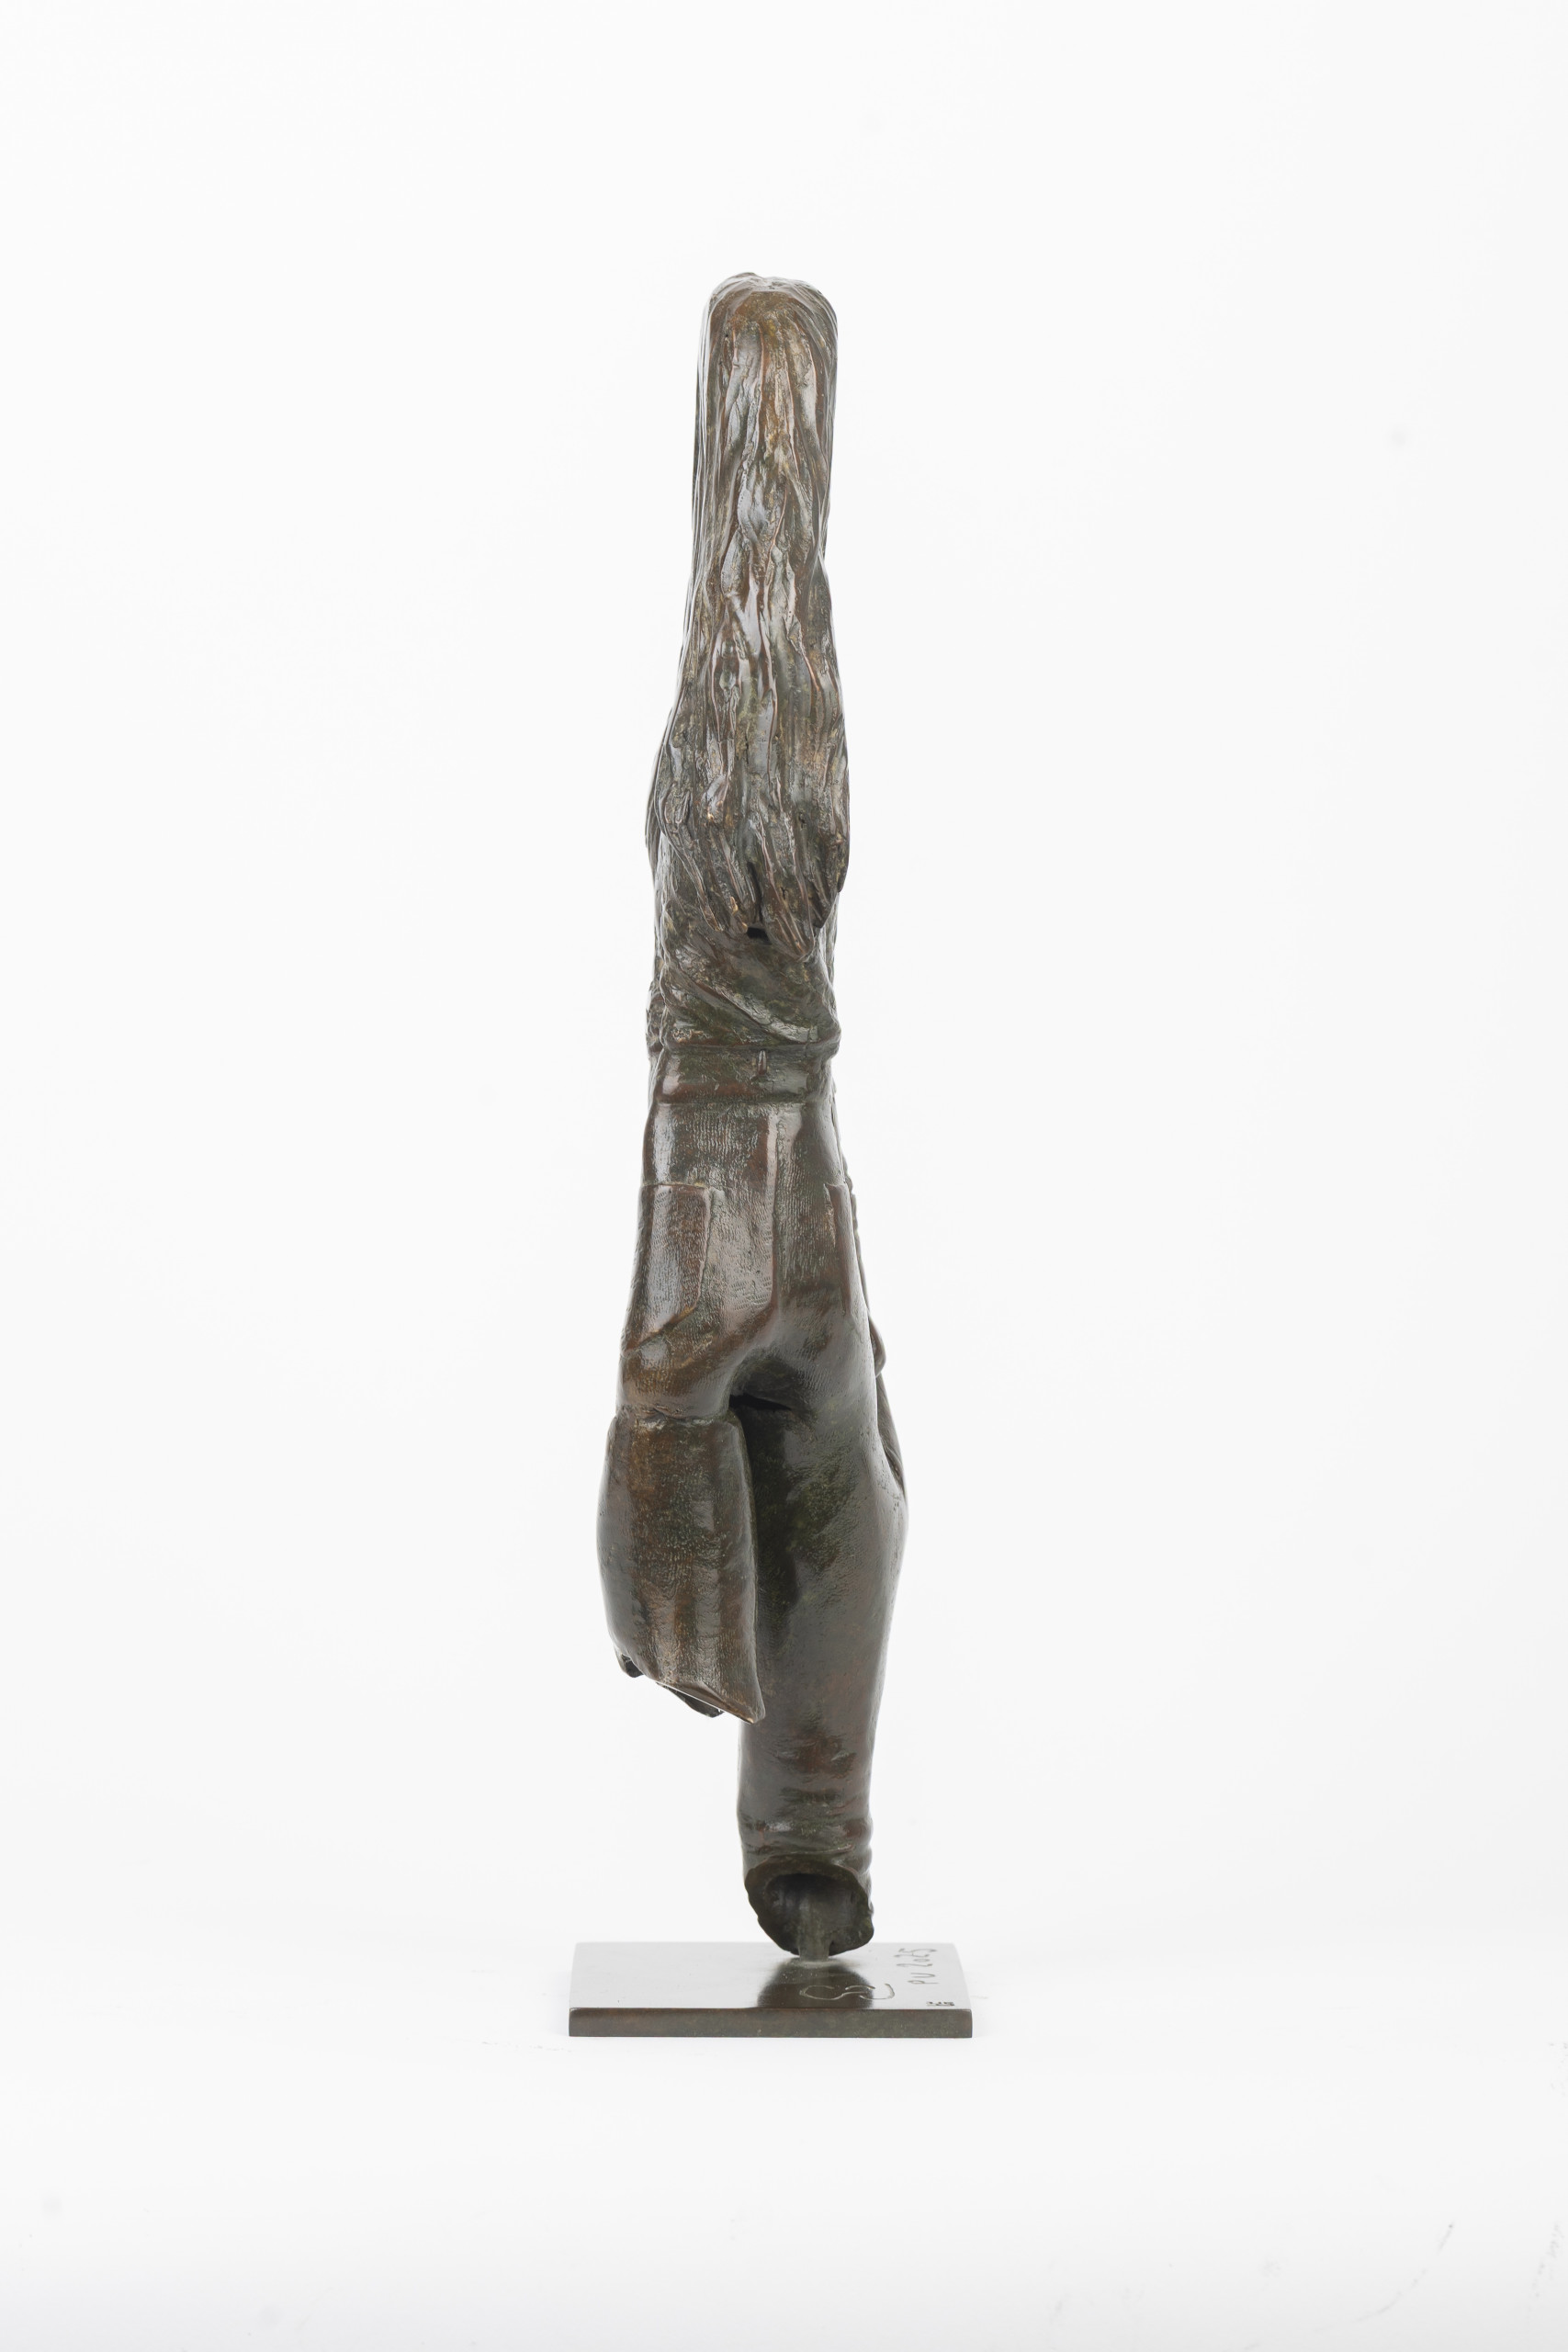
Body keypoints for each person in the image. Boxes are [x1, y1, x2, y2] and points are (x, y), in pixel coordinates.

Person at [597, 275, 906, 1962]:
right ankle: (812, 1822)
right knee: (844, 1497)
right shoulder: (755, 775)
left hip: (767, 1156)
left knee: (850, 1500)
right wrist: (669, 1372)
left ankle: (816, 1821)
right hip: (738, 1147)